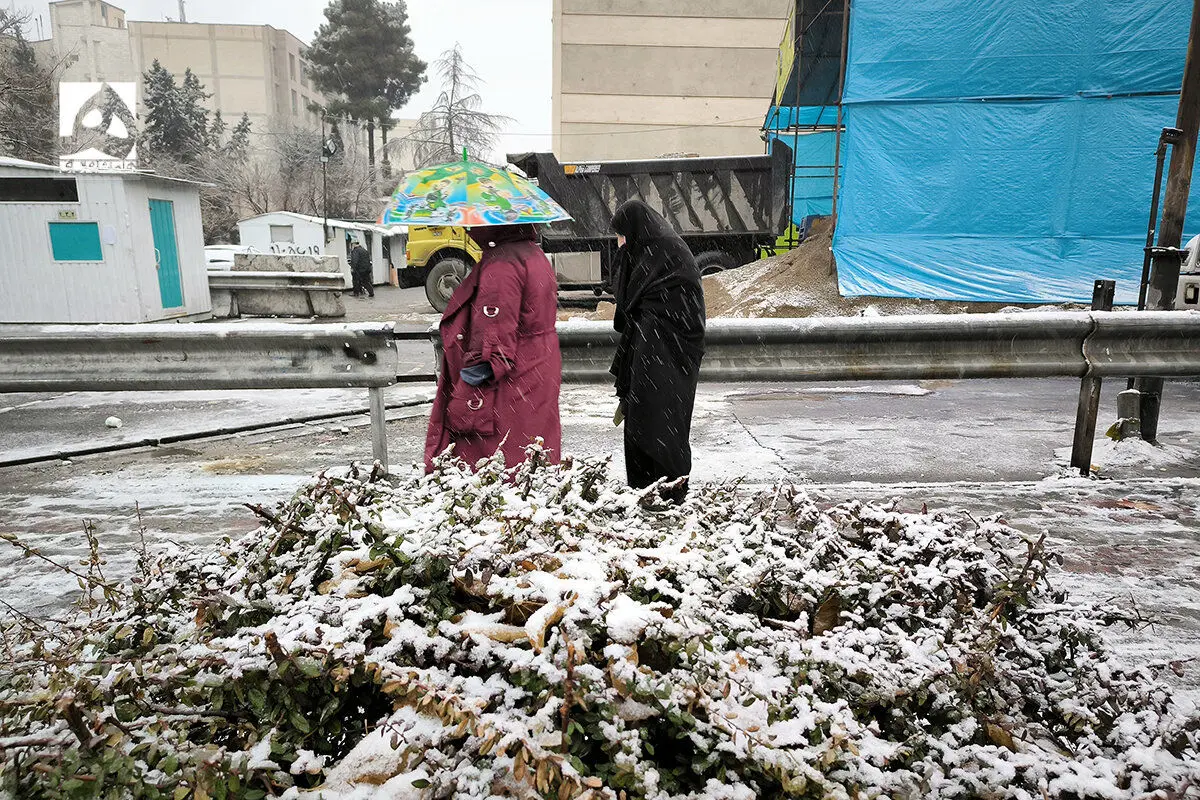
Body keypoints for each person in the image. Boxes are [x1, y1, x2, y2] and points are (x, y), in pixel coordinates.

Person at [424, 223, 562, 472]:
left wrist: (472, 375)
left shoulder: (501, 265)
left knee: (500, 455)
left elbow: (494, 336)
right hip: (540, 365)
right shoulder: (533, 253)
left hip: (513, 378)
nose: (468, 228)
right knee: (535, 448)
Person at [609, 200, 706, 502]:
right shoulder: (653, 249)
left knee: (661, 420)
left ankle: (668, 489)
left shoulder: (660, 251)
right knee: (643, 414)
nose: (619, 243)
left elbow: (669, 304)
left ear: (635, 230)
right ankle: (645, 487)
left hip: (669, 351)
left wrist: (652, 338)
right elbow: (628, 301)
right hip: (653, 346)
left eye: (621, 235)